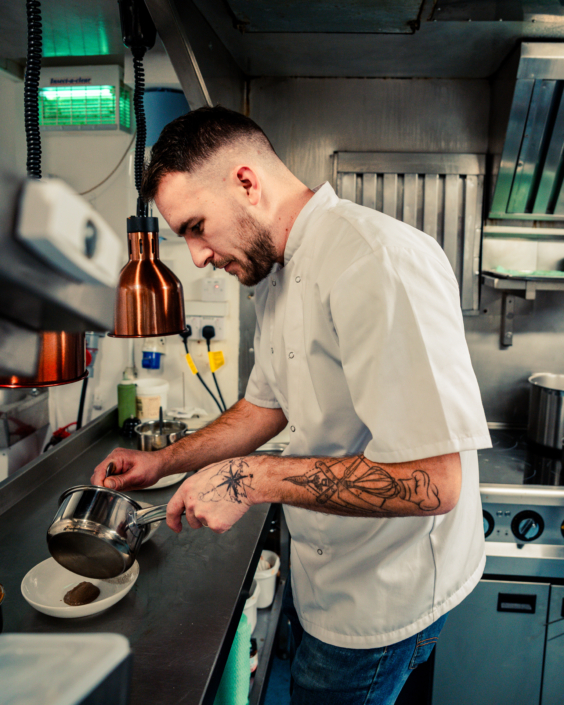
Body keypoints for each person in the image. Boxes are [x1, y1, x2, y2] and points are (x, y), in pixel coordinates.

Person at [92, 106, 491, 705]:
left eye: (197, 227)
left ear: (246, 183)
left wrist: (251, 478)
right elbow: (264, 407)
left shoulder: (375, 260)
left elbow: (436, 482)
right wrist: (164, 461)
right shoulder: (275, 274)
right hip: (323, 575)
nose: (197, 256)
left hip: (383, 597)